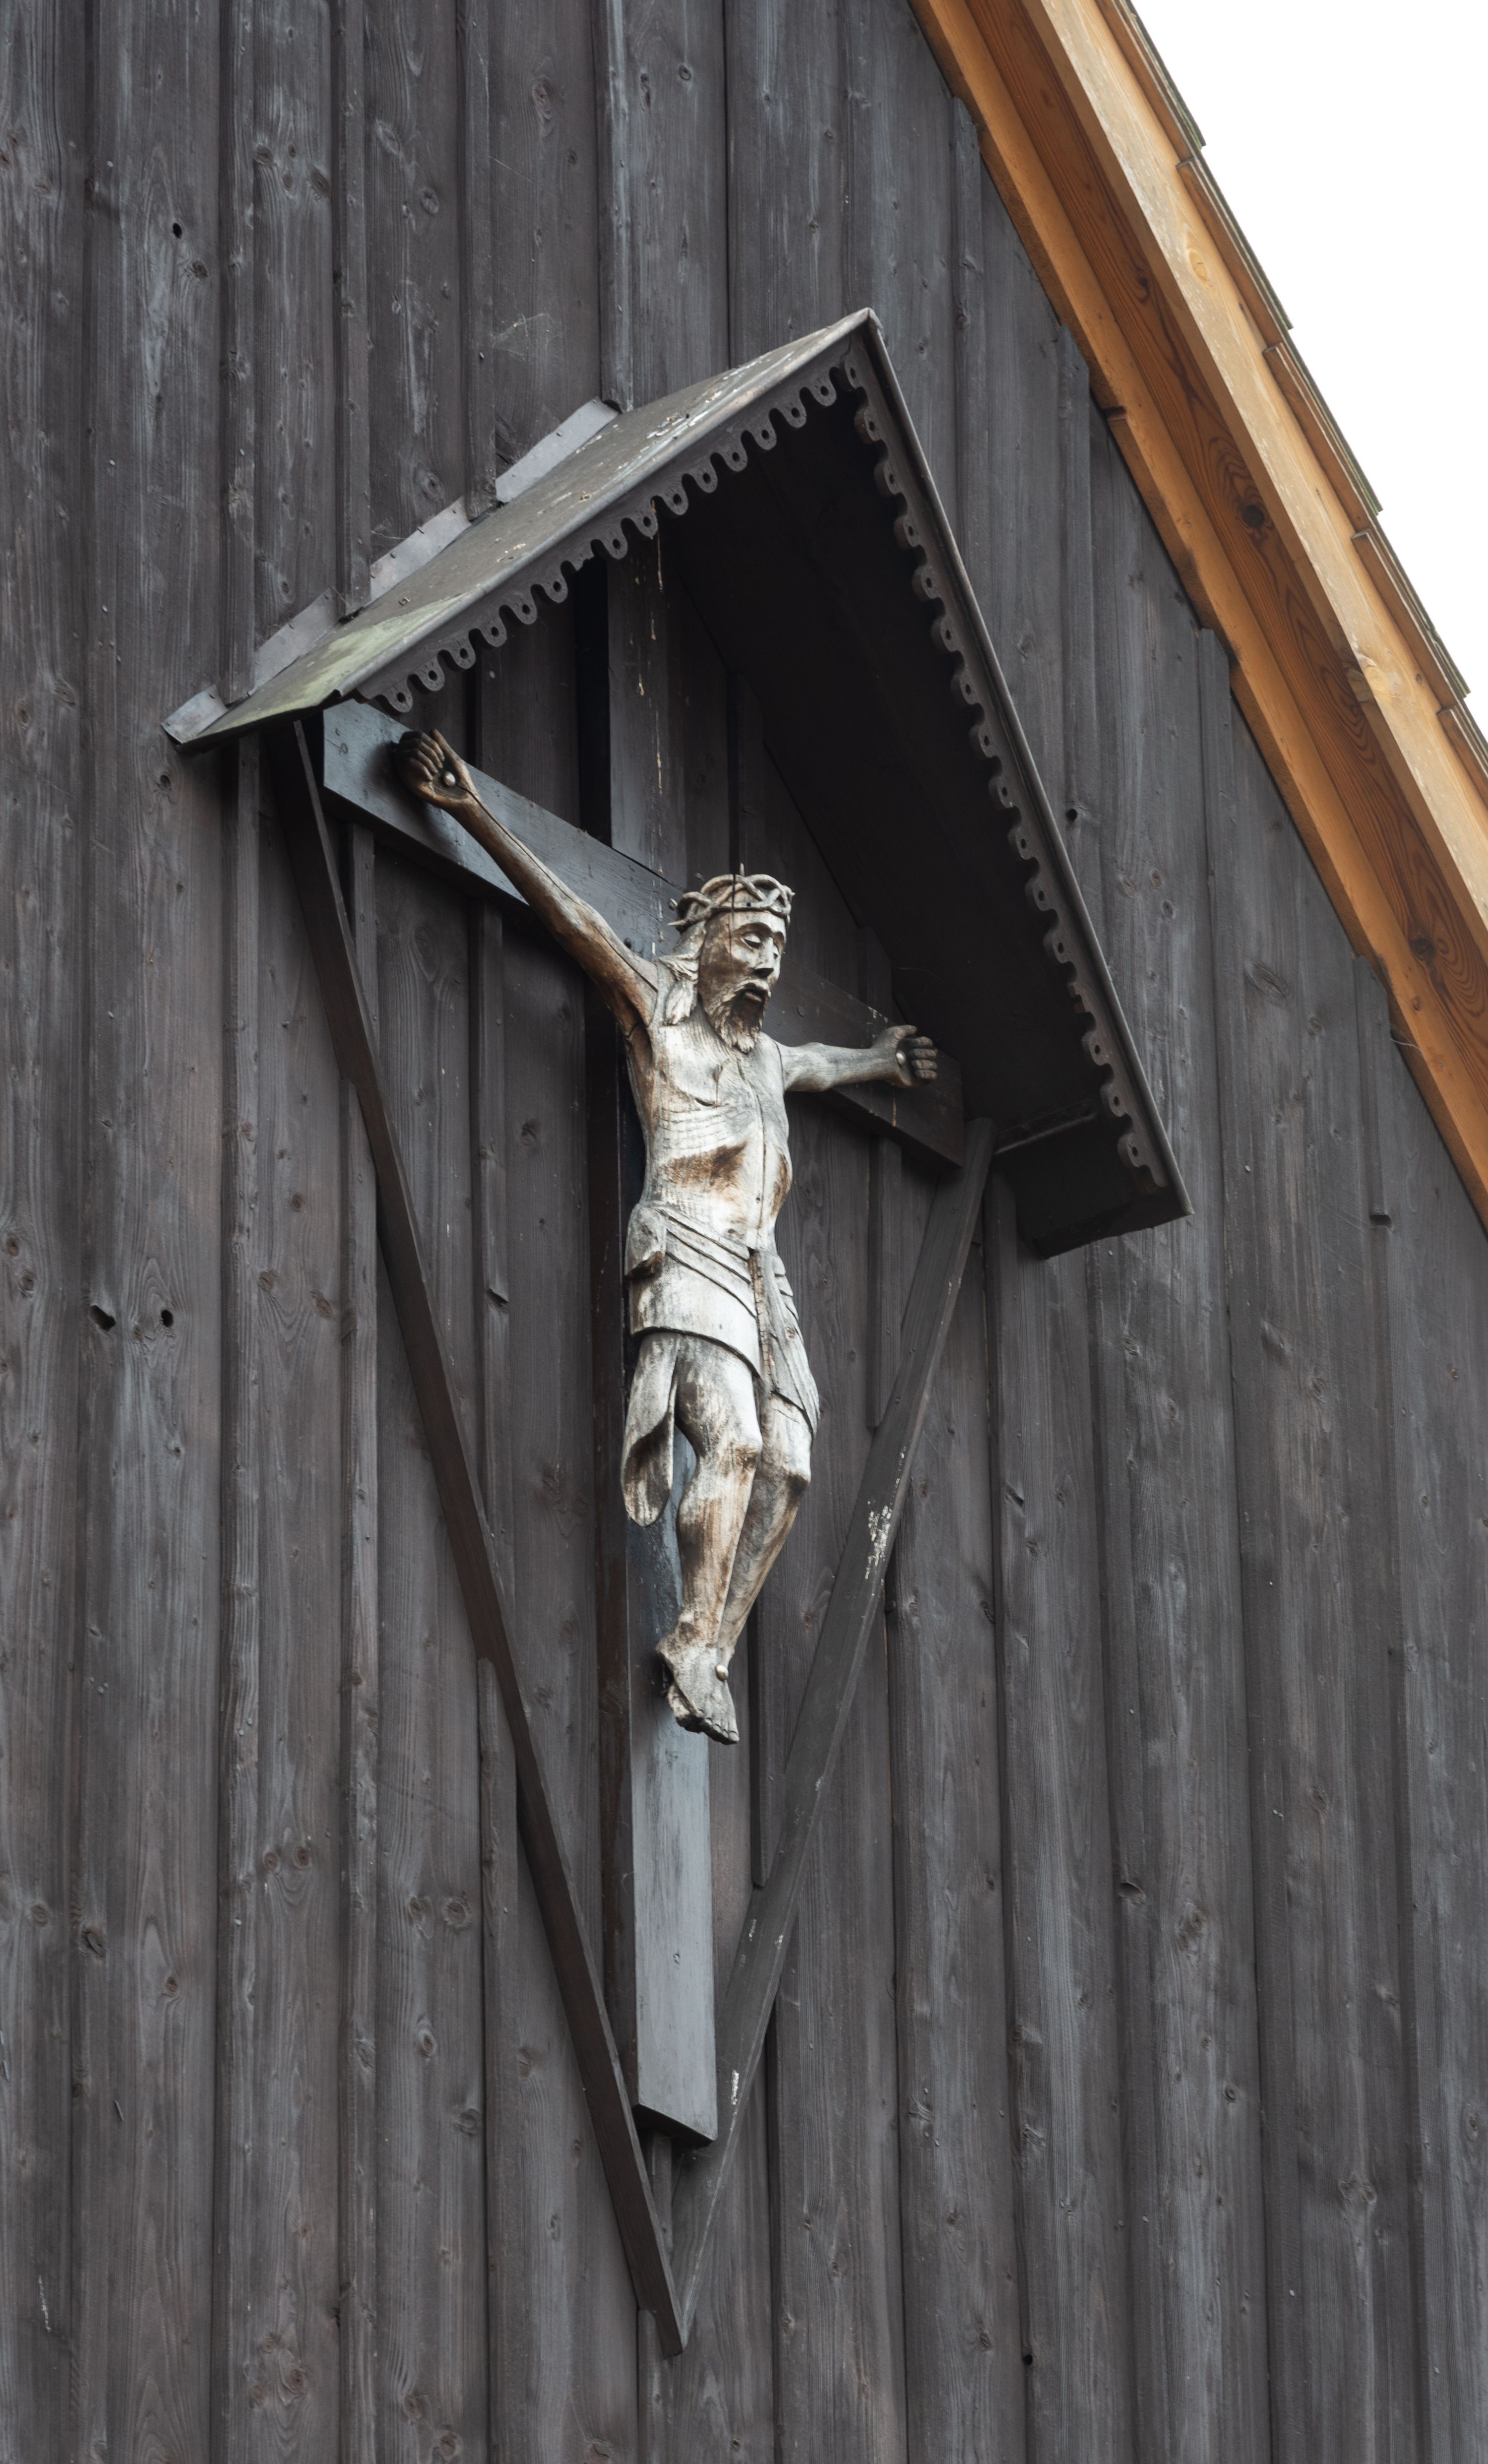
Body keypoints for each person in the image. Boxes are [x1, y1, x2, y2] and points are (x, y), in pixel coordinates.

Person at [397, 730, 938, 1742]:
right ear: (711, 941)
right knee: (733, 1440)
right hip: (686, 1253)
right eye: (752, 939)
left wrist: (879, 1060)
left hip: (762, 1281)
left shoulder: (767, 1061)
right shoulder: (659, 1009)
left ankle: (710, 1649)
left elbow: (821, 1064)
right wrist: (473, 812)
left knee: (790, 1464)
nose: (768, 960)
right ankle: (692, 1632)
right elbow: (577, 920)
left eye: (777, 947)